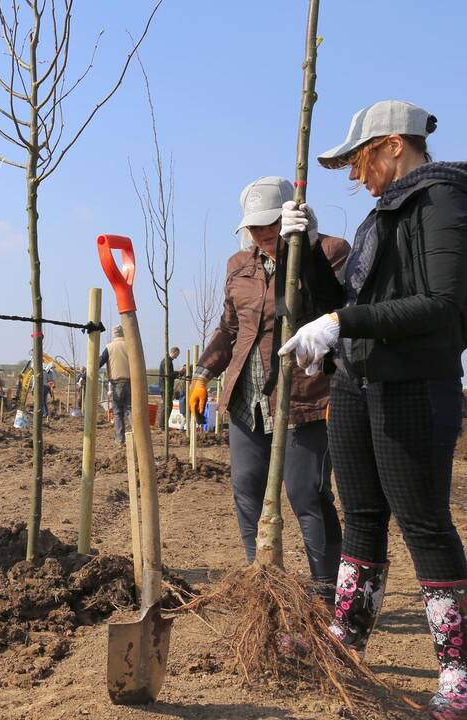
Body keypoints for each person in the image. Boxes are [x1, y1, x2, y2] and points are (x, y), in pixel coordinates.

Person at [279, 101, 467, 716]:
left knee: (424, 523)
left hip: (414, 386)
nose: (356, 177)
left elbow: (439, 304)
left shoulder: (443, 202)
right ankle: (348, 634)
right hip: (359, 386)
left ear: (392, 145)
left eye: (360, 161)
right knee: (360, 513)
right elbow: (347, 298)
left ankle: (457, 668)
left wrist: (340, 320)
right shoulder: (377, 218)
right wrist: (303, 250)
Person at [189, 176, 345, 604]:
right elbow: (230, 328)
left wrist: (307, 247)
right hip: (247, 398)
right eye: (255, 226)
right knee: (246, 487)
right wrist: (203, 373)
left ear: (289, 215)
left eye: (271, 223)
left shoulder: (329, 252)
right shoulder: (238, 264)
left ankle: (325, 595)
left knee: (307, 493)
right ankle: (262, 582)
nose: (263, 233)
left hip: (303, 396)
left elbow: (334, 310)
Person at [103, 325, 130, 444]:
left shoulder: (109, 347)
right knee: (130, 410)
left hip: (117, 383)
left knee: (118, 412)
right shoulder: (130, 345)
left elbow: (99, 361)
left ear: (114, 334)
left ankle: (120, 440)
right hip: (130, 382)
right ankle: (137, 438)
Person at [159, 347, 182, 429]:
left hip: (166, 387)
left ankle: (163, 424)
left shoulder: (168, 361)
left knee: (168, 405)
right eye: (177, 354)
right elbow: (168, 375)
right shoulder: (167, 361)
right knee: (167, 406)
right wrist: (178, 372)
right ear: (174, 352)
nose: (177, 356)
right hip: (165, 387)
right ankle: (162, 425)